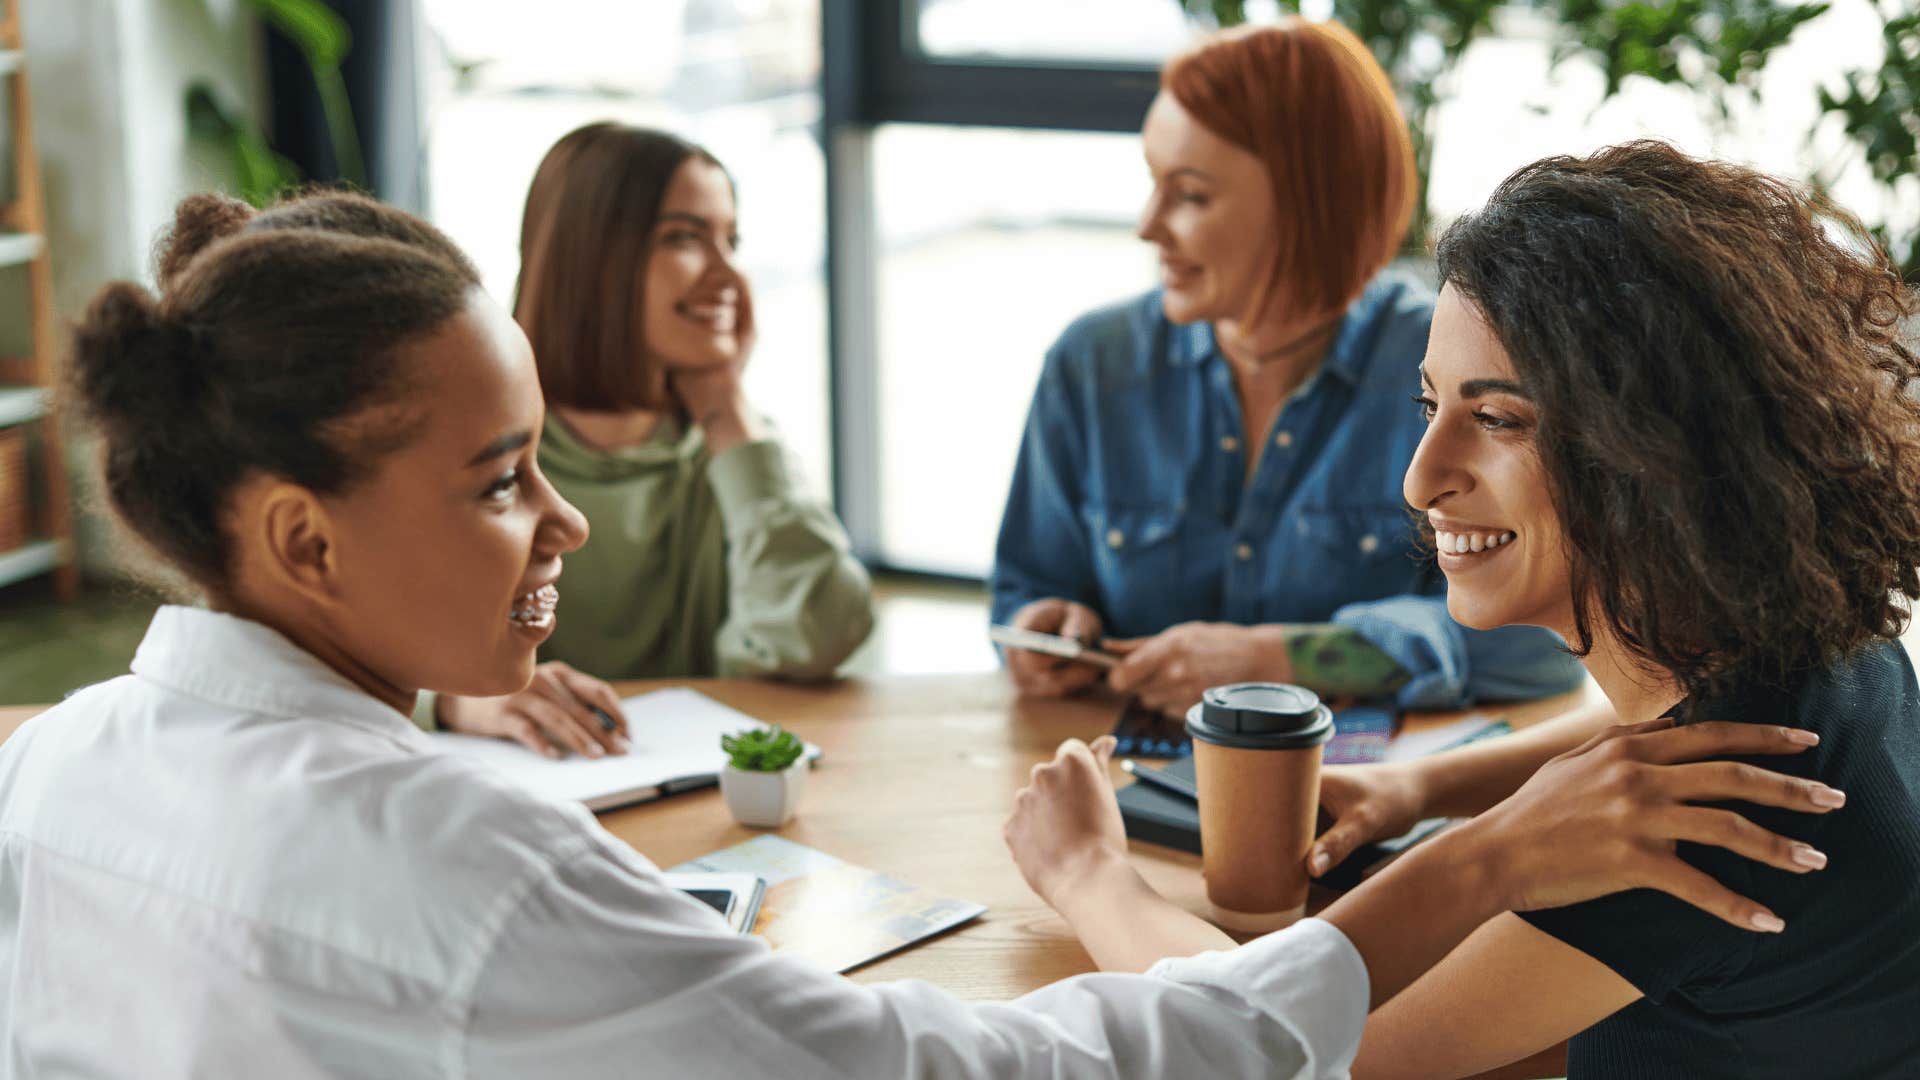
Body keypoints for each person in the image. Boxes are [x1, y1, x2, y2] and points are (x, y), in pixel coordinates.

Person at [0, 188, 1841, 1078]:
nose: (555, 516)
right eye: (500, 480)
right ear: (300, 534)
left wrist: (1461, 785)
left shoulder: (57, 759)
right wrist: (1464, 855)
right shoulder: (465, 865)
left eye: (1496, 414)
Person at [1006, 142, 1920, 1079]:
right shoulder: (1832, 646)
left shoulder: (1697, 829)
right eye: (1429, 403)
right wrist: (1421, 789)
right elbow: (1642, 731)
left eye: (1498, 421)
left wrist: (1090, 876)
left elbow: (1296, 1054)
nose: (1419, 480)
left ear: (1655, 453)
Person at [991, 20, 1579, 718]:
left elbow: (1541, 648)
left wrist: (1284, 659)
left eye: (1191, 195)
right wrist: (1041, 629)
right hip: (1121, 774)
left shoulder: (1452, 371)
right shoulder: (1092, 364)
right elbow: (1026, 586)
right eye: (1154, 184)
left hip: (1371, 795)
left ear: (1308, 204)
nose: (1148, 226)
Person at [429, 123, 874, 758]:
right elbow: (344, 646)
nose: (729, 275)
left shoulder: (736, 451)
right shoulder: (461, 446)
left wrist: (726, 409)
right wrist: (454, 698)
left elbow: (816, 639)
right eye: (685, 239)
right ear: (591, 256)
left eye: (732, 240)